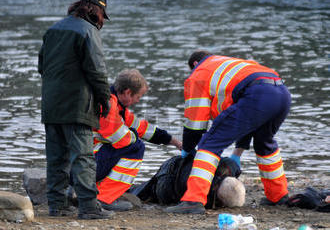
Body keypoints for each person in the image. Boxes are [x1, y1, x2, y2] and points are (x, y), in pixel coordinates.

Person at [165, 50, 291, 214]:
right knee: (264, 143)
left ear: (195, 65)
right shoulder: (228, 64)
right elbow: (247, 119)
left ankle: (193, 200)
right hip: (282, 93)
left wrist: (187, 149)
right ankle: (278, 196)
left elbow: (195, 124)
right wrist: (237, 153)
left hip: (257, 94)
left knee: (210, 144)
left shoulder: (198, 74)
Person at [38, 0, 113, 219]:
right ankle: (89, 207)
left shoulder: (53, 30)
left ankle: (56, 206)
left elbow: (41, 66)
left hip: (51, 105)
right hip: (77, 106)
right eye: (102, 15)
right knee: (83, 157)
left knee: (56, 158)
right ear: (96, 11)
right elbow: (97, 71)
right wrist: (104, 99)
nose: (102, 21)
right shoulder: (88, 32)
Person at [93, 69, 182, 211]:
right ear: (128, 92)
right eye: (138, 97)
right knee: (136, 147)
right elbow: (120, 138)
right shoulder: (108, 105)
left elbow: (142, 128)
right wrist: (134, 134)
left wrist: (173, 141)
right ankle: (103, 198)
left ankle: (93, 192)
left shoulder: (116, 105)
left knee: (134, 143)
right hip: (85, 162)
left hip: (84, 159)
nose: (137, 101)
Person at [129, 154, 244, 209]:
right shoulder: (207, 200)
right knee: (147, 191)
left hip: (178, 161)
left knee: (144, 189)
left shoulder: (230, 166)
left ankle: (127, 191)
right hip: (166, 184)